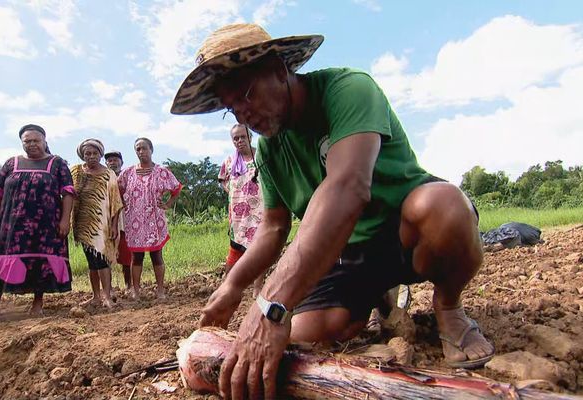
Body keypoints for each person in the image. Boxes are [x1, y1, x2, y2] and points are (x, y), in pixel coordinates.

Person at [171, 23, 495, 399]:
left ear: (279, 70)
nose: (245, 116)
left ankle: (448, 306)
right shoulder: (271, 151)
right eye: (232, 108)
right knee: (303, 335)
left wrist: (270, 305)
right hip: (344, 255)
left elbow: (348, 186)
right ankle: (378, 296)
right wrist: (233, 285)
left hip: (403, 231)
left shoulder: (347, 89)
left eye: (247, 94)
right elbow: (273, 228)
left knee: (445, 207)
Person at [0, 124, 74, 319]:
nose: (32, 144)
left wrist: (65, 220)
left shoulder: (57, 164)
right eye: (27, 141)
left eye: (36, 140)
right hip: (11, 225)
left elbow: (68, 192)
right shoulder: (10, 163)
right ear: (22, 143)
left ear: (44, 141)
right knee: (3, 261)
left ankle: (37, 305)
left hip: (47, 225)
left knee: (40, 260)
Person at [117, 138, 182, 300]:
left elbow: (176, 188)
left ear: (151, 150)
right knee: (136, 257)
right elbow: (117, 189)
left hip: (155, 220)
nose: (141, 152)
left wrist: (167, 204)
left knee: (156, 255)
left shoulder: (161, 172)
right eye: (138, 149)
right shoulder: (128, 173)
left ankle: (160, 290)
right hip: (134, 221)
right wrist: (124, 203)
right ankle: (136, 291)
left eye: (144, 148)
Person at [71, 139, 122, 308]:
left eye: (95, 154)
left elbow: (116, 202)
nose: (91, 157)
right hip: (83, 224)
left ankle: (107, 296)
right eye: (88, 154)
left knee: (102, 260)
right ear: (82, 155)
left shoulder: (109, 174)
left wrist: (114, 225)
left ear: (100, 155)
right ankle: (95, 297)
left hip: (102, 224)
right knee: (91, 263)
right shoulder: (75, 172)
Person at [218, 124, 265, 297]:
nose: (239, 141)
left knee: (260, 249)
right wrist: (233, 192)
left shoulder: (261, 156)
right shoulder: (229, 161)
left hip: (259, 211)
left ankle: (258, 287)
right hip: (238, 216)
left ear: (250, 137)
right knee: (235, 250)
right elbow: (223, 180)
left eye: (242, 137)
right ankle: (228, 286)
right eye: (235, 138)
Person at [105, 150, 133, 290]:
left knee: (127, 255)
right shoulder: (102, 177)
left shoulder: (127, 177)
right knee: (106, 256)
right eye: (109, 160)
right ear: (106, 163)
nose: (112, 162)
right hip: (107, 220)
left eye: (115, 160)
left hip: (125, 220)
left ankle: (129, 285)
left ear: (121, 162)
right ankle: (108, 288)